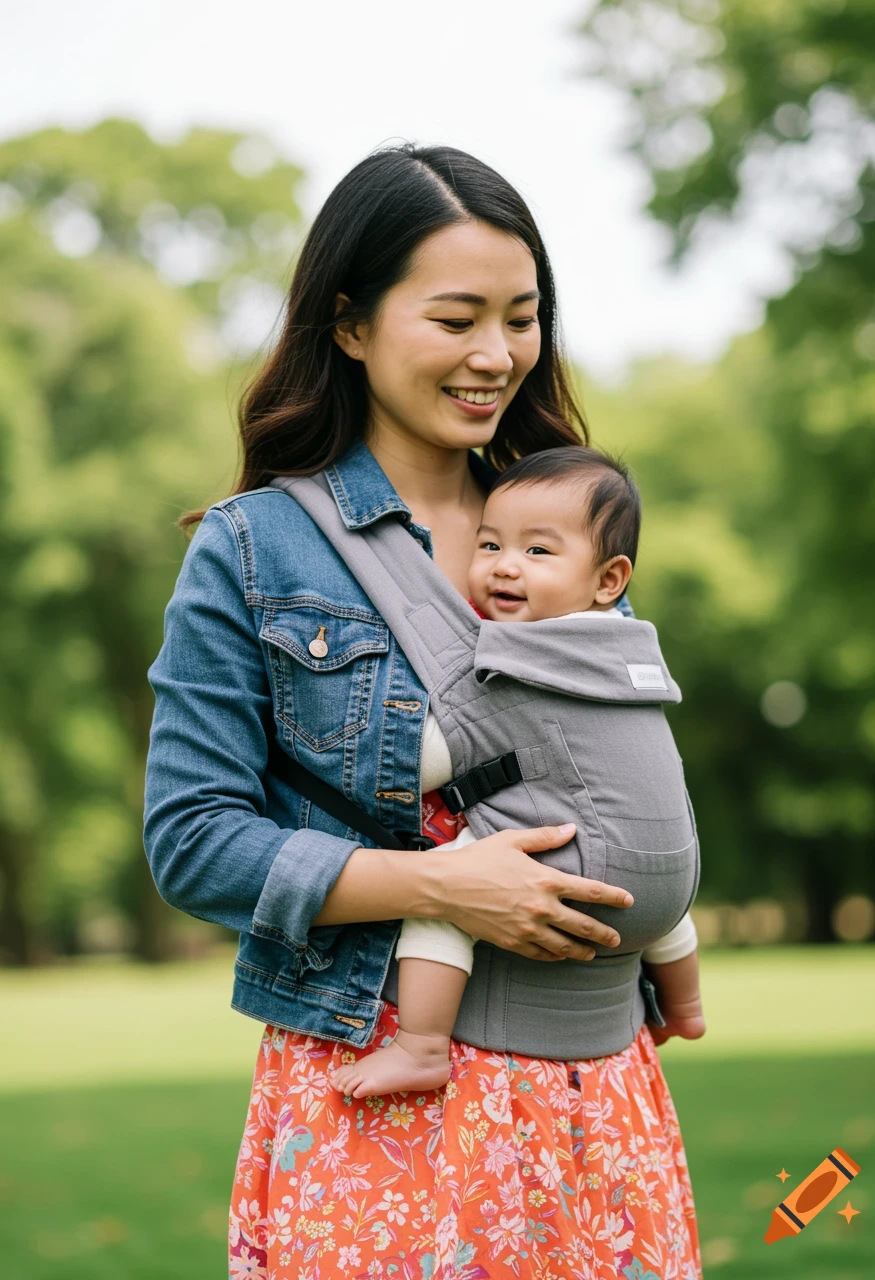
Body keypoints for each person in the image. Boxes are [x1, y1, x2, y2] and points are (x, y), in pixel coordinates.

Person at [144, 142, 704, 1279]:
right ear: (348, 324)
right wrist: (441, 885)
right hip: (384, 1084)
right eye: (455, 319)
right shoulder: (253, 549)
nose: (493, 354)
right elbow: (192, 837)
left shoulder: (564, 528)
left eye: (519, 315)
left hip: (591, 1086)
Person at [330, 446, 704, 1100]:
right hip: (672, 878)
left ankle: (420, 1046)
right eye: (490, 544)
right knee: (653, 878)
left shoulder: (524, 658)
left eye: (538, 552)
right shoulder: (632, 651)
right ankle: (688, 1007)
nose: (504, 566)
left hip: (579, 869)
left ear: (609, 579)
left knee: (451, 886)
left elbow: (416, 765)